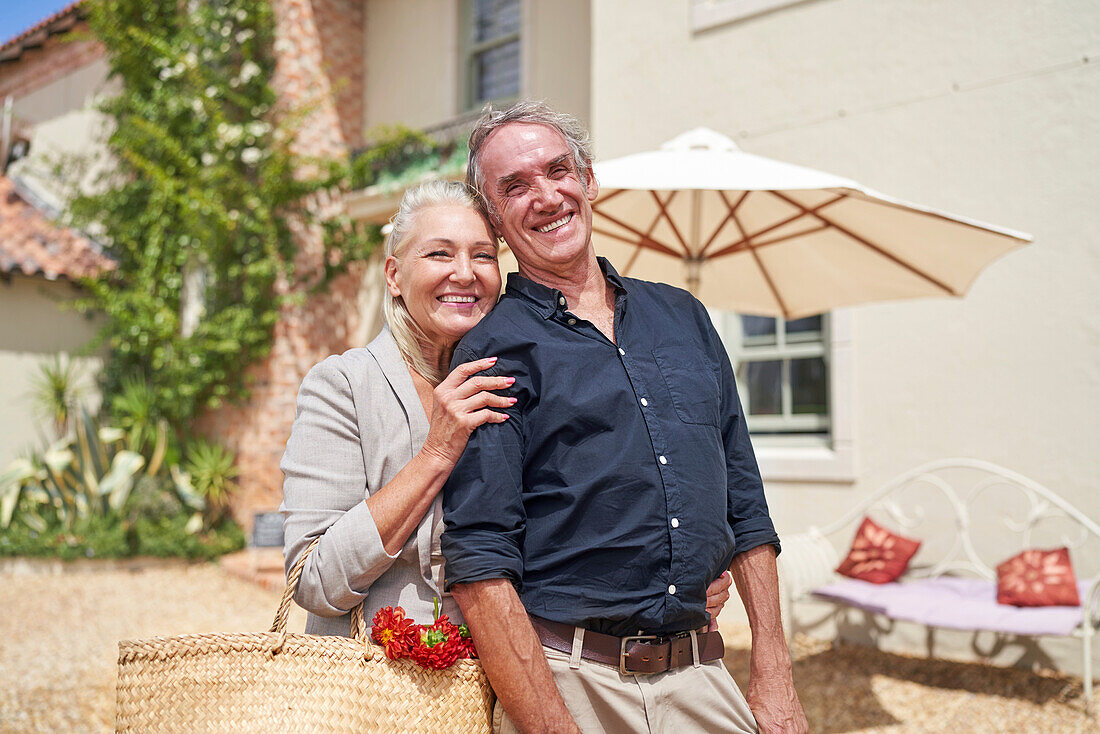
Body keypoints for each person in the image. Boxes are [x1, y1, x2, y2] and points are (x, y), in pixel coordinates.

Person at [441, 101, 809, 733]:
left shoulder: (684, 316)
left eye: (558, 170)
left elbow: (745, 503)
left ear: (587, 177)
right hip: (571, 680)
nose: (547, 196)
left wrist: (774, 676)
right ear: (496, 220)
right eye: (516, 187)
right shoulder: (492, 348)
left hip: (701, 673)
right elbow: (480, 559)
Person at [280, 180, 733, 639]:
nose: (464, 273)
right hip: (377, 690)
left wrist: (680, 583)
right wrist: (436, 453)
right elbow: (314, 581)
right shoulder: (343, 386)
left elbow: (578, 523)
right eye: (439, 254)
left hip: (507, 681)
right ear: (394, 275)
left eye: (482, 255)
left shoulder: (523, 375)